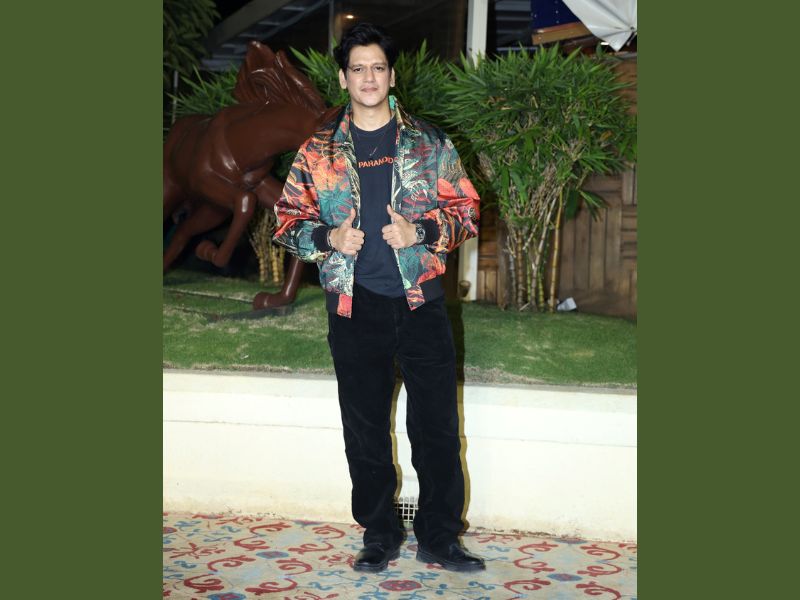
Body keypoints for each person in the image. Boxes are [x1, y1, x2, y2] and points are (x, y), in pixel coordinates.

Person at [273, 22, 484, 574]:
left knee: (436, 430)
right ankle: (379, 533)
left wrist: (422, 232)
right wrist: (329, 238)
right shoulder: (318, 151)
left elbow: (467, 210)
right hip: (354, 307)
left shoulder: (429, 143)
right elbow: (286, 220)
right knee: (364, 431)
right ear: (344, 78)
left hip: (421, 305)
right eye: (358, 68)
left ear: (391, 76)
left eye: (378, 67)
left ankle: (440, 536)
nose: (369, 77)